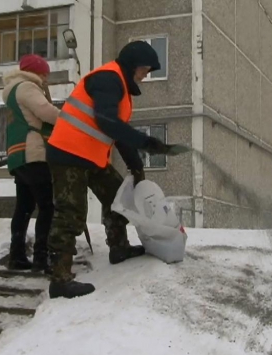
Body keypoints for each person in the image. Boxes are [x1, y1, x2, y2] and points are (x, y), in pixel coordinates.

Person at [46, 41, 176, 299]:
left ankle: (119, 247)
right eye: (145, 70)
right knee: (71, 212)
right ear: (133, 65)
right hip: (68, 153)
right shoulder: (107, 78)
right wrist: (146, 142)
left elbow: (118, 134)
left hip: (91, 156)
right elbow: (107, 122)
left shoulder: (122, 89)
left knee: (119, 198)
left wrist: (137, 166)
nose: (146, 75)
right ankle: (60, 279)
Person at [2, 54, 60, 273]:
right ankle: (41, 258)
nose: (46, 79)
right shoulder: (27, 87)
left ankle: (16, 256)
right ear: (36, 72)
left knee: (24, 207)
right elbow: (45, 112)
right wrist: (69, 119)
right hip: (33, 152)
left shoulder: (11, 91)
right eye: (44, 74)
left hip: (18, 155)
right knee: (47, 206)